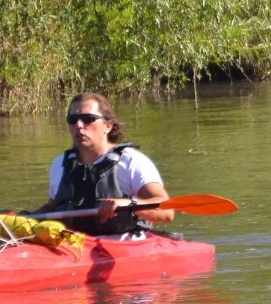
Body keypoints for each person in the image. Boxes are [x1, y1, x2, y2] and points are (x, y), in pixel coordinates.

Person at [36, 92, 174, 235]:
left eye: (88, 119)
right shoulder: (61, 164)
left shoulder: (131, 161)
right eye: (72, 119)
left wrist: (128, 204)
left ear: (108, 126)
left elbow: (167, 211)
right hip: (72, 247)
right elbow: (52, 208)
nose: (78, 125)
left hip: (123, 248)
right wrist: (22, 218)